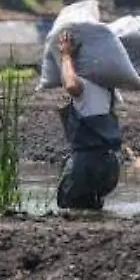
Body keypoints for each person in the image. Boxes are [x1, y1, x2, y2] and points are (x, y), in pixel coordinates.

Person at [56, 30, 122, 210]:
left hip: (87, 164)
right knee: (93, 209)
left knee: (71, 209)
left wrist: (66, 56)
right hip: (110, 165)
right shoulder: (109, 87)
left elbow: (71, 85)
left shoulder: (85, 84)